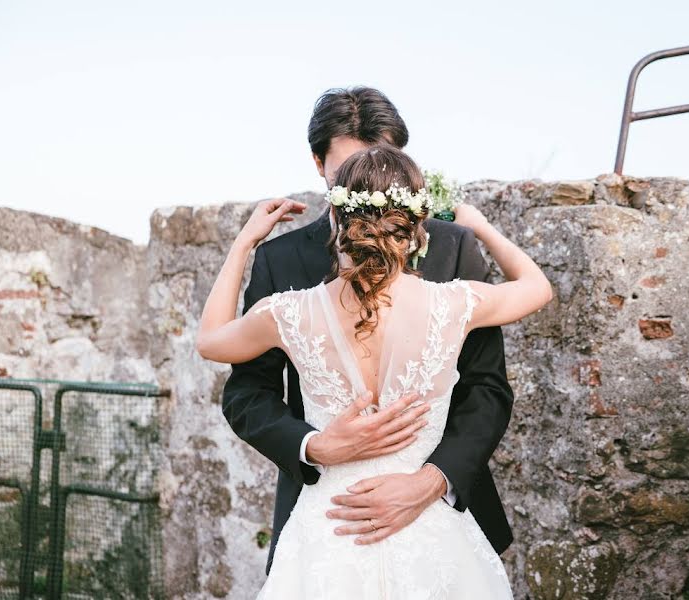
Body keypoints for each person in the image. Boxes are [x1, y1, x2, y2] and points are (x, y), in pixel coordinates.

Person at [197, 145, 554, 597]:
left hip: (330, 531)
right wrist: (479, 225)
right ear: (416, 230)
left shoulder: (288, 313)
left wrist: (244, 243)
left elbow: (210, 340)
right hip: (429, 533)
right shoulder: (456, 304)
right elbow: (538, 286)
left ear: (338, 222)